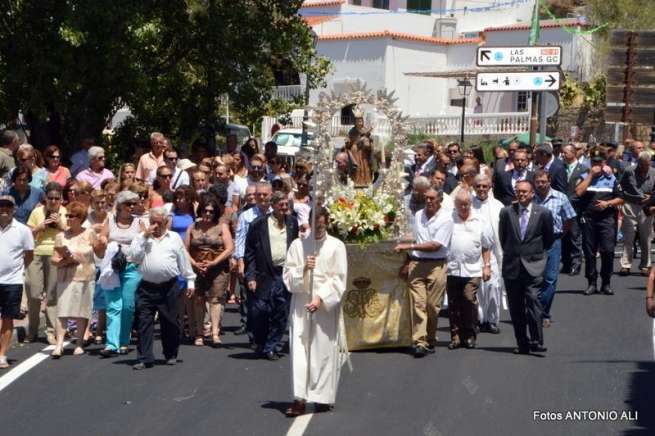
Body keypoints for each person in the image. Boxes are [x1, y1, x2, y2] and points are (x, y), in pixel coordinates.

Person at [283, 206, 348, 417]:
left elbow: (339, 278)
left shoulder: (337, 246)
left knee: (323, 350)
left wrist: (320, 298)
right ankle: (300, 398)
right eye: (314, 224)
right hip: (301, 303)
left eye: (321, 224)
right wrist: (303, 268)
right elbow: (287, 275)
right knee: (300, 351)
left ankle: (321, 396)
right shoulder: (297, 245)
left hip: (324, 306)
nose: (318, 228)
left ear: (326, 222)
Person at [129, 207, 196, 370]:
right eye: (153, 222)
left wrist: (190, 280)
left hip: (169, 286)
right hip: (146, 287)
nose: (156, 225)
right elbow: (134, 258)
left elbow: (183, 260)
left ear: (166, 222)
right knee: (144, 322)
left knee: (170, 322)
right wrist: (145, 236)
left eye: (159, 222)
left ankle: (171, 353)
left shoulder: (173, 238)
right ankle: (145, 357)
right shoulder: (140, 238)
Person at [394, 187, 453, 358]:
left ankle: (431, 337)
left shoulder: (447, 219)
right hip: (418, 264)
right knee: (418, 304)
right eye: (426, 198)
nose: (428, 201)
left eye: (432, 198)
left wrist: (410, 247)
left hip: (437, 266)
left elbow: (435, 245)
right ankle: (419, 341)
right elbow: (413, 235)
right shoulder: (419, 214)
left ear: (440, 200)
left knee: (432, 307)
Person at [499, 180, 554, 354]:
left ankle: (537, 340)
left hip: (534, 265)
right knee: (516, 307)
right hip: (513, 266)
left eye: (525, 192)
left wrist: (538, 257)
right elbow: (503, 237)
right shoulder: (507, 212)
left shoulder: (543, 213)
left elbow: (548, 239)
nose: (521, 194)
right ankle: (522, 343)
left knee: (533, 300)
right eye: (518, 191)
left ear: (532, 194)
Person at [244, 191, 299, 360]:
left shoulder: (292, 223)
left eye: (286, 204)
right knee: (260, 311)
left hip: (284, 273)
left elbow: (296, 245)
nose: (284, 207)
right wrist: (250, 276)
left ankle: (271, 346)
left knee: (280, 312)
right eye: (281, 204)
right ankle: (260, 342)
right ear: (273, 205)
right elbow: (250, 253)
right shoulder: (258, 224)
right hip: (264, 274)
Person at [50, 201, 105, 358]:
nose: (68, 218)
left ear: (80, 218)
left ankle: (79, 343)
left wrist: (102, 244)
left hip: (85, 277)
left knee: (82, 310)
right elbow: (54, 259)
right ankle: (59, 344)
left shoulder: (89, 233)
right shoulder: (61, 236)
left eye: (72, 216)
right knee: (62, 311)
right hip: (65, 277)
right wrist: (68, 260)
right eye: (67, 215)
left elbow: (99, 254)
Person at [99, 191, 144, 357]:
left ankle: (124, 340)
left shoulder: (139, 223)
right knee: (113, 306)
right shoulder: (110, 220)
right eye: (128, 204)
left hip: (132, 267)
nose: (131, 207)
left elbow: (144, 242)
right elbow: (103, 236)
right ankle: (111, 343)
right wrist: (104, 240)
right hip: (112, 267)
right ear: (120, 205)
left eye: (133, 204)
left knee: (127, 306)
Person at [446, 190, 492, 350]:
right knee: (453, 303)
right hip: (452, 269)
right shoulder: (449, 219)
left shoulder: (480, 220)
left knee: (468, 298)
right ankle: (456, 337)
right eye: (460, 204)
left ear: (471, 203)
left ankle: (470, 334)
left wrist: (487, 266)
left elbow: (486, 245)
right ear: (455, 205)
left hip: (472, 269)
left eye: (467, 204)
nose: (464, 207)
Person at [185, 196, 233, 347]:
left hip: (217, 268)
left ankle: (215, 333)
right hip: (197, 267)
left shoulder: (222, 226)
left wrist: (214, 262)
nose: (208, 214)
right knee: (198, 300)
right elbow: (184, 249)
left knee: (215, 300)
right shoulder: (193, 227)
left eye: (211, 212)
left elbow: (230, 248)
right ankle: (199, 333)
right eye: (205, 211)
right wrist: (194, 263)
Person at [575, 149, 623, 295]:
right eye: (594, 162)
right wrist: (590, 175)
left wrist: (608, 204)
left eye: (599, 162)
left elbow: (621, 198)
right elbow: (578, 192)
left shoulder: (612, 178)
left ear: (604, 163)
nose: (596, 165)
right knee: (589, 253)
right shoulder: (584, 176)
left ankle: (606, 282)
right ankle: (592, 282)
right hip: (589, 219)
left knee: (608, 251)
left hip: (606, 219)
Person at [533, 170, 576, 327]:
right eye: (538, 181)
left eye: (544, 181)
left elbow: (569, 218)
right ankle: (533, 310)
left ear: (549, 181)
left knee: (550, 279)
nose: (541, 184)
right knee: (535, 279)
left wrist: (561, 234)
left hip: (554, 241)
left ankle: (543, 312)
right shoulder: (530, 199)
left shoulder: (560, 197)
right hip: (534, 243)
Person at [26, 182, 67, 344]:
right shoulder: (37, 212)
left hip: (55, 253)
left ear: (61, 199)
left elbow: (70, 233)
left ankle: (51, 331)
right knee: (33, 292)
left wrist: (59, 224)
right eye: (50, 198)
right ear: (46, 198)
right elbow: (27, 233)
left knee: (52, 295)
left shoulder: (65, 212)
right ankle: (32, 330)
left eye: (57, 198)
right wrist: (41, 226)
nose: (54, 201)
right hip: (36, 253)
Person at [0, 195, 34, 369]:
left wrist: (17, 272)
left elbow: (29, 255)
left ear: (14, 209)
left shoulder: (23, 230)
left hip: (12, 281)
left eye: (8, 206)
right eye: (1, 205)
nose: (4, 209)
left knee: (7, 319)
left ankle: (2, 355)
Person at [472, 175, 504, 334]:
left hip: (493, 252)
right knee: (476, 288)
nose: (481, 189)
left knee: (492, 285)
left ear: (490, 187)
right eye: (478, 186)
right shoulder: (468, 205)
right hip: (474, 253)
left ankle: (492, 320)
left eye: (485, 186)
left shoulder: (498, 206)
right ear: (474, 187)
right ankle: (478, 319)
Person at [619, 151, 655, 276]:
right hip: (631, 204)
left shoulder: (653, 172)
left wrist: (650, 200)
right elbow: (622, 185)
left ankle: (645, 265)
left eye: (646, 164)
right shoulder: (629, 170)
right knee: (628, 236)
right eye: (642, 165)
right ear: (638, 163)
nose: (644, 167)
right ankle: (626, 264)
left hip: (647, 207)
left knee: (646, 238)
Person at [560, 144, 587, 275]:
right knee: (563, 235)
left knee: (575, 236)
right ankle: (566, 263)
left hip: (575, 207)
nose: (563, 155)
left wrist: (569, 201)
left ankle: (576, 264)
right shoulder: (561, 168)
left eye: (565, 153)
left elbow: (582, 191)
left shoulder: (583, 169)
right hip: (561, 208)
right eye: (562, 153)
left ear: (573, 153)